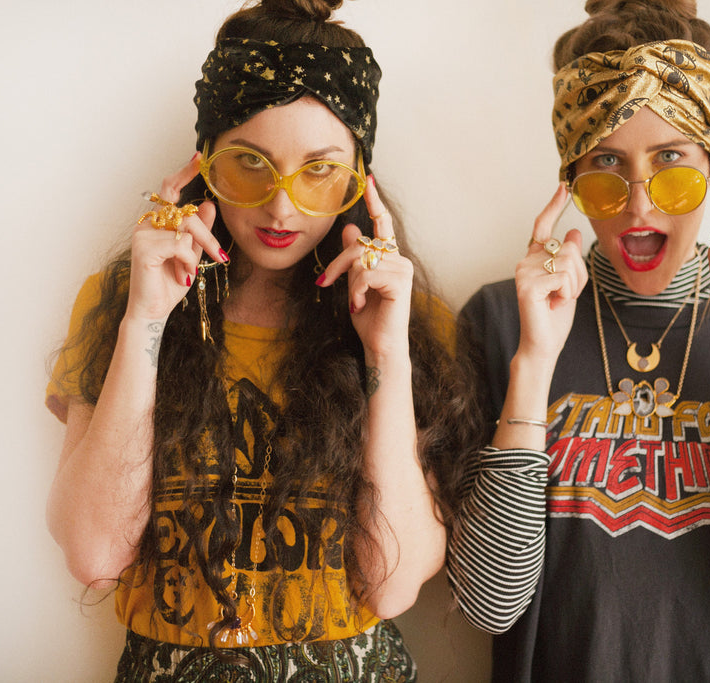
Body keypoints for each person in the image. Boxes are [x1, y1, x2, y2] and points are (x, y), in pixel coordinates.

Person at [45, 0, 476, 679]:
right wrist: (146, 320)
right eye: (251, 162)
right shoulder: (119, 304)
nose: (282, 205)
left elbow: (391, 586)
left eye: (319, 170)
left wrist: (385, 353)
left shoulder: (410, 321)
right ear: (205, 163)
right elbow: (96, 556)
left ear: (359, 179)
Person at [446, 0, 710, 680]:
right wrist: (535, 359)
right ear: (571, 176)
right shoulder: (499, 322)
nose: (639, 204)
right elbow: (490, 603)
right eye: (606, 162)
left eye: (671, 160)